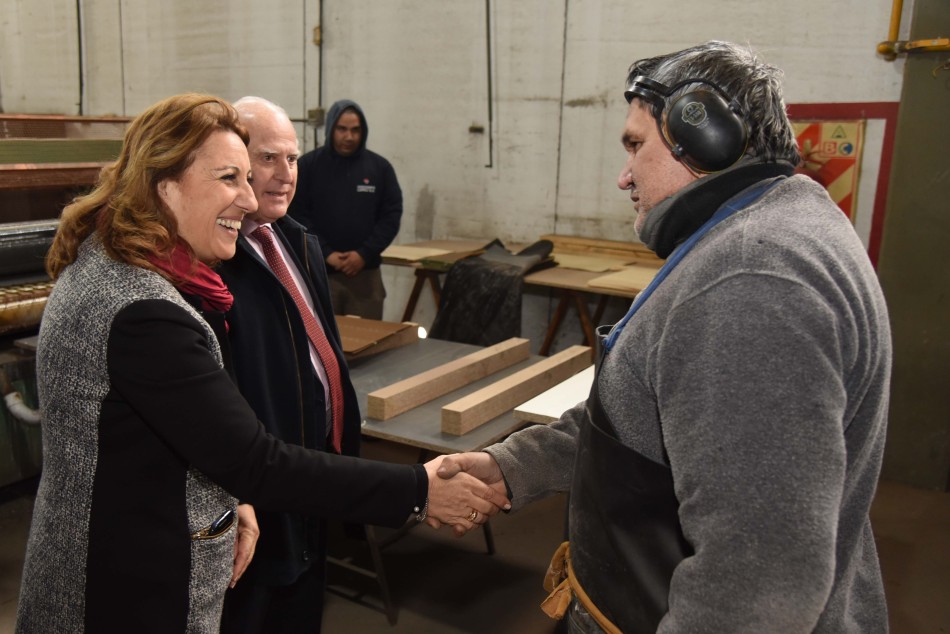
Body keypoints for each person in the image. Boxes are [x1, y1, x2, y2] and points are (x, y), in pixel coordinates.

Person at [438, 41, 892, 633]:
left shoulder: (751, 281)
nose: (622, 175)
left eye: (635, 144)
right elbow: (644, 414)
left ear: (704, 138)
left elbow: (756, 590)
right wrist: (513, 467)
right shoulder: (768, 229)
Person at [16, 93, 508, 634]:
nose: (250, 200)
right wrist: (417, 489)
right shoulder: (144, 312)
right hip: (125, 590)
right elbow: (256, 460)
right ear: (165, 185)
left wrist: (232, 494)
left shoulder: (107, 265)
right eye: (231, 177)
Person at [215, 96, 368, 632]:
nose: (285, 176)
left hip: (315, 480)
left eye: (294, 158)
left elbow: (325, 360)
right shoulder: (218, 265)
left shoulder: (298, 242)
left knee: (303, 612)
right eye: (268, 159)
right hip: (261, 492)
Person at [288, 99, 402, 319]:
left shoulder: (380, 168)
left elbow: (391, 216)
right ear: (331, 128)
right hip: (319, 275)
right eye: (342, 129)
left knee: (369, 345)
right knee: (322, 347)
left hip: (365, 277)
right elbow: (296, 215)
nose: (349, 137)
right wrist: (325, 253)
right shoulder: (308, 167)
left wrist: (364, 254)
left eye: (355, 130)